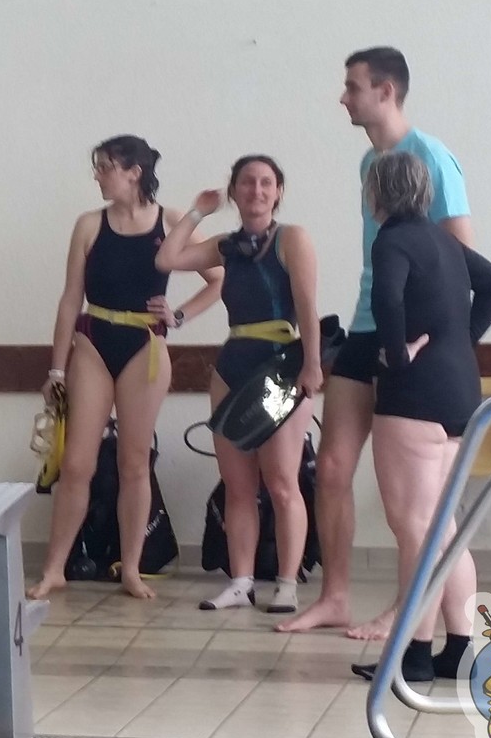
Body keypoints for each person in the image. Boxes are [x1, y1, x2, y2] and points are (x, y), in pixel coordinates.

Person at [278, 47, 476, 637]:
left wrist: (444, 343)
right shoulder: (371, 161)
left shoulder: (431, 157)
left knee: (414, 508)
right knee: (332, 466)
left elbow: (464, 261)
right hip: (366, 328)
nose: (344, 98)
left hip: (413, 343)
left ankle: (407, 614)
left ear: (385, 91)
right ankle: (335, 596)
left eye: (353, 87)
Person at [29, 136, 222, 601]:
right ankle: (54, 568)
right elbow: (71, 298)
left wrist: (179, 315)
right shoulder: (89, 225)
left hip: (144, 347)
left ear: (134, 172)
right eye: (97, 167)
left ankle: (132, 569)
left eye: (105, 167)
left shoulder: (170, 221)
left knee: (134, 463)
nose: (98, 175)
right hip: (94, 342)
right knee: (77, 463)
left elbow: (219, 278)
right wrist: (56, 370)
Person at [353, 152, 491, 682]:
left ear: (376, 194)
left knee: (415, 527)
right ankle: (460, 646)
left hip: (414, 396)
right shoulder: (445, 242)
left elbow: (387, 299)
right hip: (460, 392)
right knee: (444, 525)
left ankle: (413, 652)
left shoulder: (391, 241)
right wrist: (461, 340)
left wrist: (396, 355)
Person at [155, 156, 321, 615]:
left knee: (282, 482)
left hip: (280, 368)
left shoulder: (293, 239)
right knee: (237, 485)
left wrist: (312, 365)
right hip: (233, 364)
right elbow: (167, 259)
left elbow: (308, 306)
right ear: (234, 191)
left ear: (279, 191)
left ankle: (286, 582)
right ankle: (240, 581)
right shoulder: (226, 246)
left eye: (266, 182)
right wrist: (197, 211)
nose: (256, 190)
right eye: (247, 182)